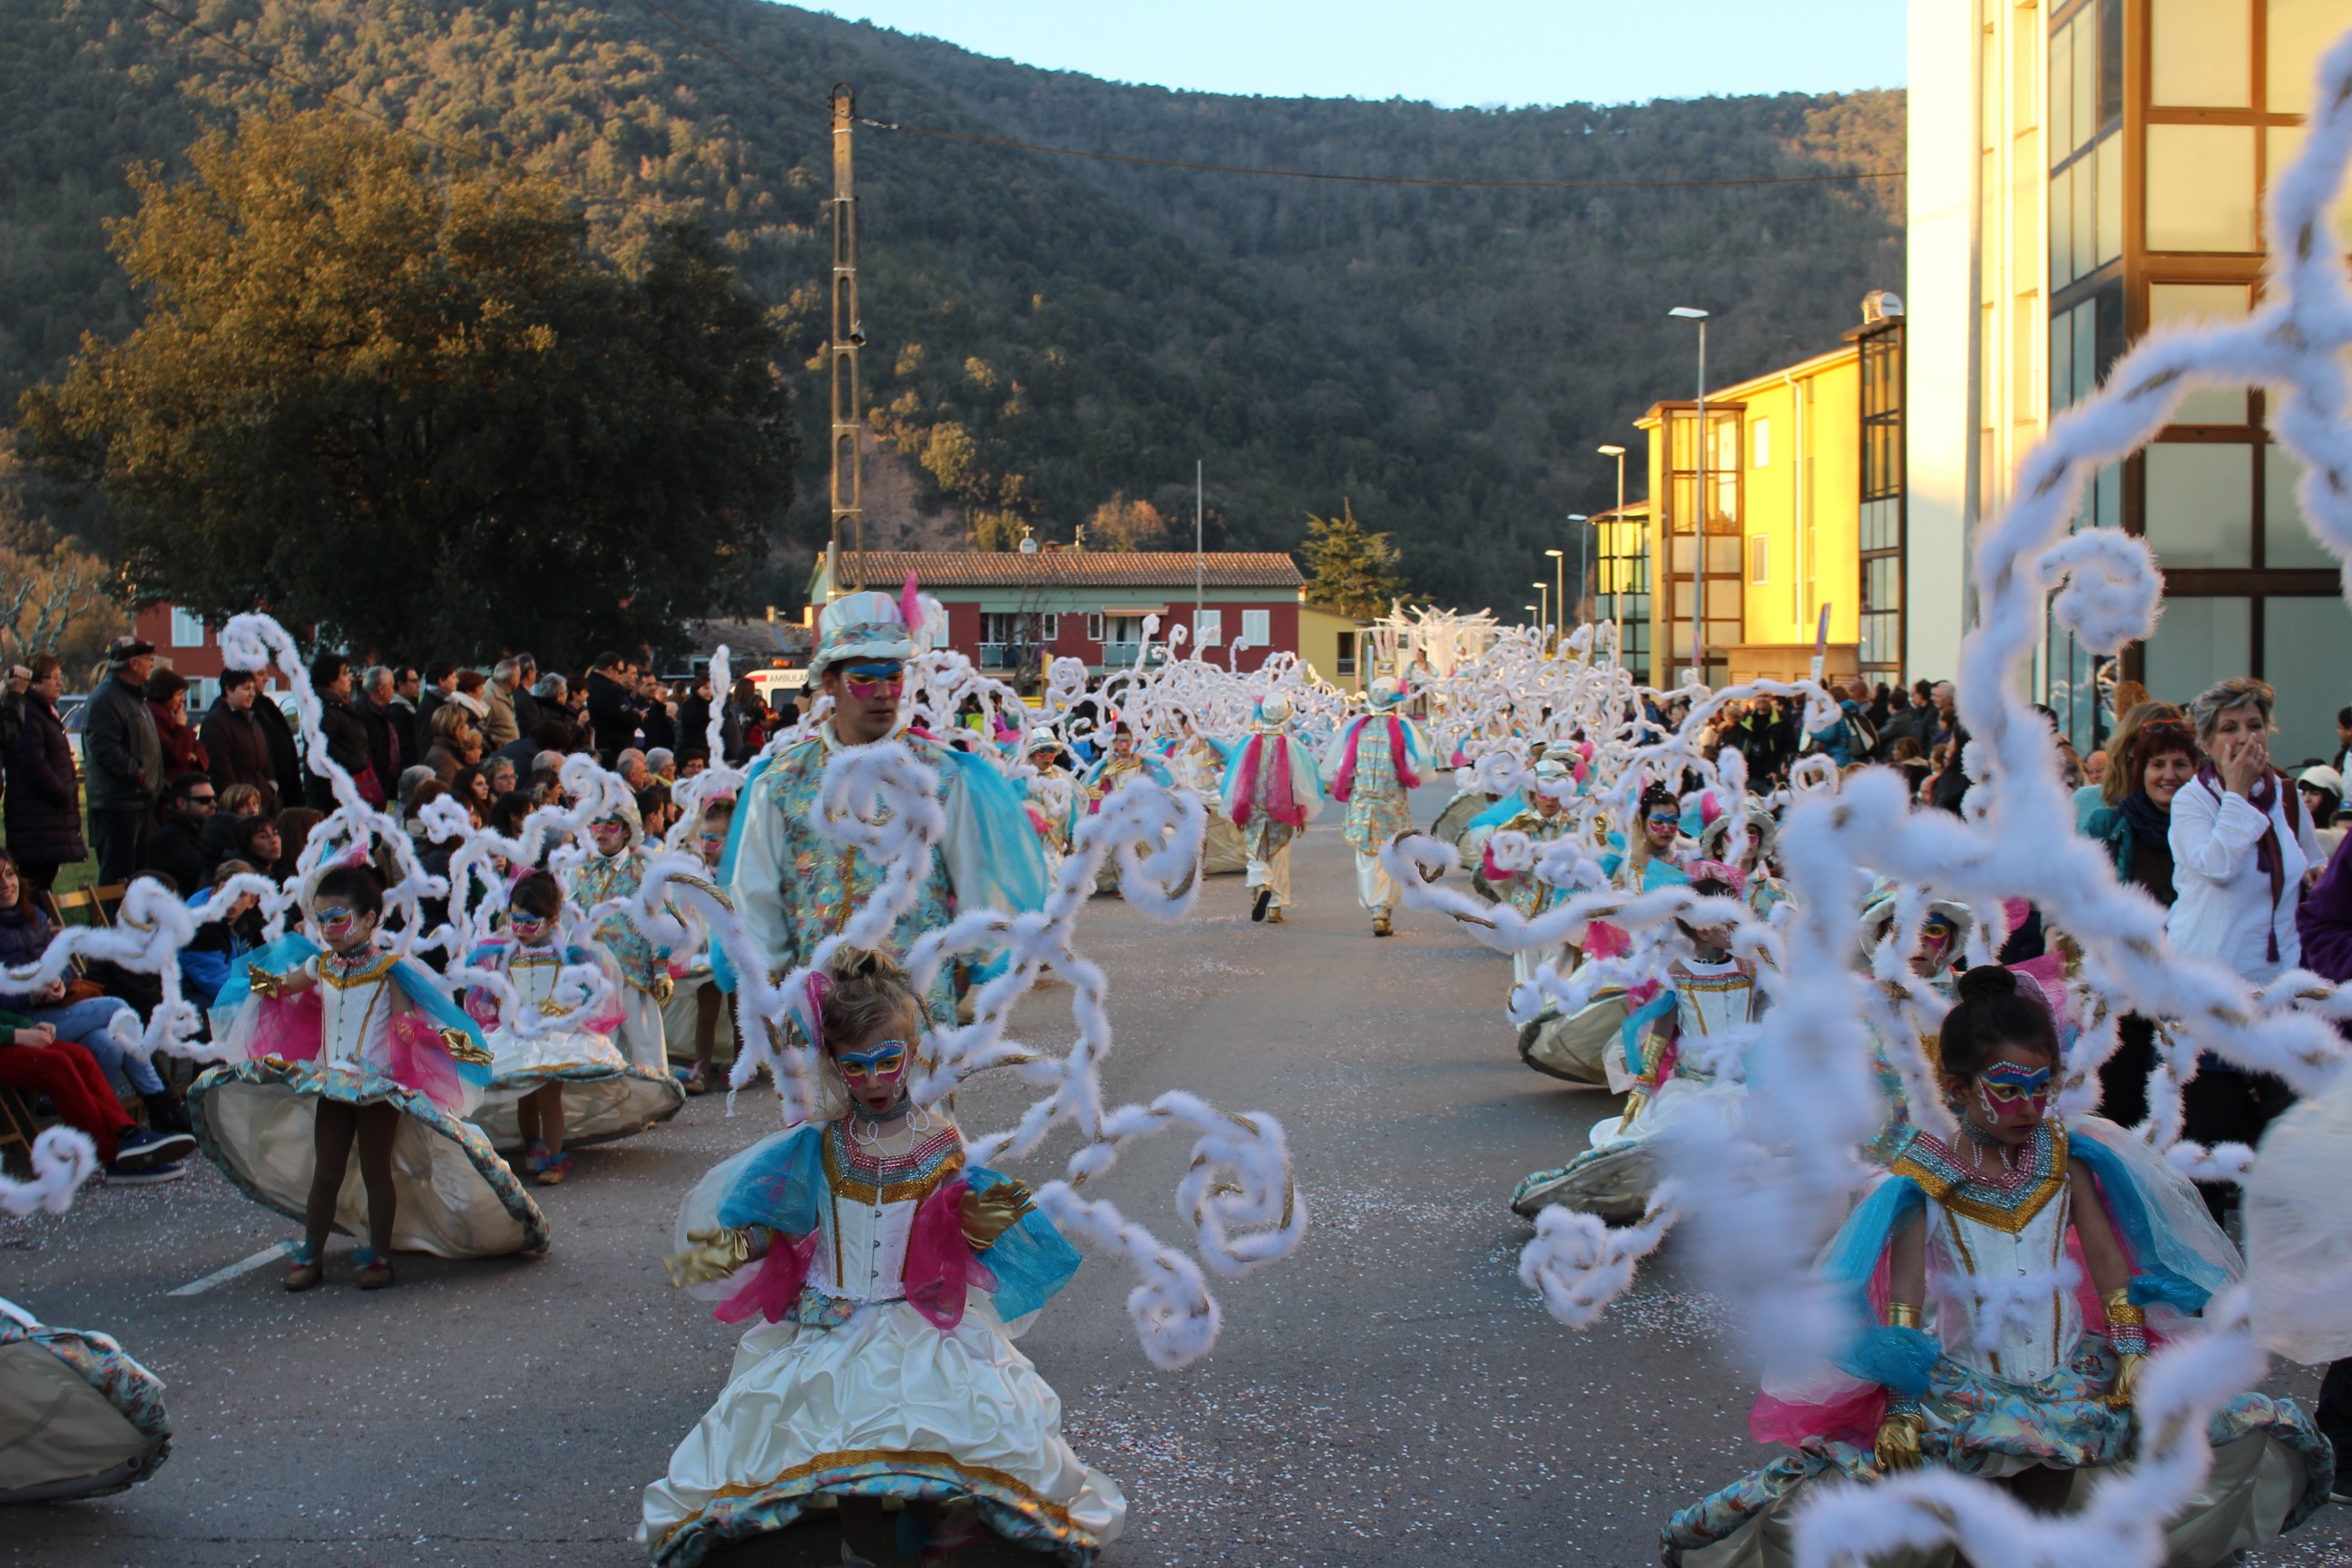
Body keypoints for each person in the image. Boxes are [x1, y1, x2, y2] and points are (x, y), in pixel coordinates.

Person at [1662, 965, 2329, 1562]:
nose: (2027, 1107)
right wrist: (1898, 1407)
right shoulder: (1923, 1178)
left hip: (2070, 1380)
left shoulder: (2067, 1159)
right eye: (2007, 1089)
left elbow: (2105, 1257)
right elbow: (1904, 1298)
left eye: (2042, 1087)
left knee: (2042, 1519)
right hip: (1970, 1390)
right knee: (1970, 1531)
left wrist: (2130, 1351)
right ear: (1956, 1087)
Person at [642, 946, 1122, 1567]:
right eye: (855, 1066)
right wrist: (737, 1247)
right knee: (840, 1434)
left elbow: (947, 1237)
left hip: (916, 1316)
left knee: (929, 1419)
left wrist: (979, 1224)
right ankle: (865, 1549)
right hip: (832, 1320)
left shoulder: (940, 1141)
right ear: (836, 1065)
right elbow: (789, 1226)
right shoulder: (820, 1144)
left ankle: (930, 1532)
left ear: (912, 1053)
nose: (871, 1080)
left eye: (886, 1062)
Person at [197, 861, 540, 1289]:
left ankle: (379, 1256)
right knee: (327, 1171)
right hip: (331, 1082)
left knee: (377, 1170)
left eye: (338, 919)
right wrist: (250, 986)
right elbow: (283, 988)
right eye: (321, 920)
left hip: (378, 1087)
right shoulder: (322, 965)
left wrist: (406, 1029)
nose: (328, 929)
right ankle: (311, 1253)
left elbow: (404, 1017)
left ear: (370, 919)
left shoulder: (390, 970)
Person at [720, 589, 1047, 1025]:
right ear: (830, 683)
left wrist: (968, 958)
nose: (882, 693)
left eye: (893, 677)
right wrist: (775, 980)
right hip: (819, 1006)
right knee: (825, 1095)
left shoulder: (941, 775)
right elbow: (754, 891)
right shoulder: (782, 782)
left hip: (918, 1003)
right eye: (865, 678)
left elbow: (974, 877)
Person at [1511, 863, 1760, 1220]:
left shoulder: (1751, 971)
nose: (1740, 926)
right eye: (1728, 919)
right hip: (1695, 1086)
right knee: (1664, 1143)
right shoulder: (1679, 973)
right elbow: (1662, 1029)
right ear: (1703, 930)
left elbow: (1767, 1024)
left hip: (1741, 1085)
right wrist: (1642, 1089)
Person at [2169, 677, 2322, 1223]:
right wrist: (2235, 794)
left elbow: (2308, 865)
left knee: (2290, 1136)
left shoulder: (2284, 793)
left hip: (2277, 985)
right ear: (2207, 742)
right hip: (2210, 990)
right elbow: (2217, 864)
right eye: (2229, 729)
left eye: (2254, 725)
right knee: (2210, 1144)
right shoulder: (2193, 799)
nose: (2244, 737)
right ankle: (2208, 1274)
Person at [460, 869, 683, 1184]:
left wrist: (565, 1009)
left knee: (550, 1098)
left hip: (555, 1035)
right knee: (525, 1094)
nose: (521, 929)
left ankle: (554, 1155)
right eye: (515, 920)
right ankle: (532, 1147)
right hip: (519, 1033)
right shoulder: (505, 956)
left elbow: (584, 994)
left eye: (530, 922)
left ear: (553, 922)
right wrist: (505, 1009)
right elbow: (499, 994)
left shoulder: (566, 956)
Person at [0, 847, 193, 1132]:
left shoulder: (37, 918)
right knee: (117, 1009)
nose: (6, 884)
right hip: (25, 1020)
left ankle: (92, 1123)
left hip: (57, 1007)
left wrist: (59, 983)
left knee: (108, 1042)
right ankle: (161, 1101)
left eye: (9, 874)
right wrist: (31, 993)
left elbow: (64, 965)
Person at [2082, 719, 2199, 1126]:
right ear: (2140, 771)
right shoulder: (2110, 826)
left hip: (2189, 988)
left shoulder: (2208, 831)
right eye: (2158, 764)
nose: (2169, 775)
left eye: (2180, 764)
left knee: (2184, 1110)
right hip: (2127, 991)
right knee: (2122, 1106)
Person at [561, 791, 675, 1073]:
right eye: (595, 824)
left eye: (610, 824)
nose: (601, 831)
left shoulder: (645, 867)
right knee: (598, 1041)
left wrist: (660, 967)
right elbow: (566, 918)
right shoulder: (577, 867)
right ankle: (608, 1104)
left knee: (642, 1040)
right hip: (592, 972)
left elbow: (659, 917)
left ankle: (650, 1100)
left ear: (626, 829)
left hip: (633, 968)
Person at [1322, 676, 1426, 937]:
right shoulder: (1402, 728)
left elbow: (1341, 764)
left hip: (1363, 803)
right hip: (1392, 804)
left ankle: (1375, 908)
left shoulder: (1358, 727)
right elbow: (1417, 764)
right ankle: (1385, 908)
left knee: (1368, 859)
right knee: (1391, 854)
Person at [1220, 695, 1323, 926]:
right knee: (1280, 856)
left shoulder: (1248, 744)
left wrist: (1239, 808)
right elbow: (1299, 782)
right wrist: (1301, 811)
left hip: (1255, 807)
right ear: (1285, 717)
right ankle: (1276, 906)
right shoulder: (1292, 746)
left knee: (1255, 851)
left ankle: (1261, 884)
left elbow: (1240, 780)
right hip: (1282, 809)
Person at [83, 636, 164, 885]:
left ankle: (134, 921)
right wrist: (137, 774)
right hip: (118, 804)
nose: (152, 664)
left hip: (137, 801)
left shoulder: (134, 698)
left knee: (138, 875)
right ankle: (113, 921)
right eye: (148, 660)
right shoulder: (106, 699)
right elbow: (105, 748)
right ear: (133, 663)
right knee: (118, 874)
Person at [3, 653, 85, 895]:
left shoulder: (43, 712)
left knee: (42, 884)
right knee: (34, 886)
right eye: (54, 678)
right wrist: (64, 793)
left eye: (61, 677)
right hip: (36, 817)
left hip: (44, 819)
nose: (60, 683)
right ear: (34, 682)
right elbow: (32, 763)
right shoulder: (27, 713)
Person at [201, 669, 279, 809]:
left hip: (261, 799)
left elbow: (266, 759)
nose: (252, 694)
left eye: (253, 688)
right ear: (229, 690)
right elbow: (220, 769)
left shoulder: (251, 719)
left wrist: (271, 787)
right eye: (246, 688)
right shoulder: (217, 722)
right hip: (240, 805)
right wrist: (238, 800)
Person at [305, 653, 374, 810]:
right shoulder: (322, 707)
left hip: (346, 781)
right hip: (328, 787)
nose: (349, 678)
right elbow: (324, 746)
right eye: (344, 673)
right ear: (331, 678)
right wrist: (354, 761)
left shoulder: (341, 705)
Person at [142, 771, 218, 897]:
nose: (213, 804)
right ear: (182, 803)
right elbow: (202, 872)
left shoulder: (203, 831)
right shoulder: (169, 839)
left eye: (214, 798)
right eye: (204, 800)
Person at [143, 668, 209, 779]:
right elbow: (175, 753)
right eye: (178, 694)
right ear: (165, 694)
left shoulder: (171, 716)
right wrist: (181, 727)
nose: (182, 699)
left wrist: (195, 756)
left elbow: (198, 746)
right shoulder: (153, 718)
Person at [586, 652, 642, 764]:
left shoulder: (589, 683)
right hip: (611, 751)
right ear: (610, 669)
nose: (620, 675)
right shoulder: (608, 690)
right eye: (620, 671)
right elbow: (628, 719)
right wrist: (638, 717)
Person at [358, 666, 406, 792]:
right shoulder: (362, 712)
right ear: (381, 688)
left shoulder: (384, 710)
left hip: (388, 782)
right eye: (391, 686)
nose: (393, 691)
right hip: (374, 783)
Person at [422, 701, 482, 786]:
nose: (467, 727)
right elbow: (448, 790)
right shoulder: (441, 757)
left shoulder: (453, 750)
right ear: (455, 729)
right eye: (464, 724)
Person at [2297, 764, 2345, 863]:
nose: (2306, 799)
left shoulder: (2341, 839)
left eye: (2315, 793)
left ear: (2329, 799)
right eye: (2303, 793)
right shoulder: (2291, 834)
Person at [482, 657, 524, 751]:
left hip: (509, 753)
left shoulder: (506, 694)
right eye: (519, 676)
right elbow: (481, 729)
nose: (520, 680)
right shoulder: (489, 698)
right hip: (499, 756)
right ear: (513, 680)